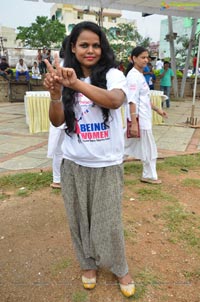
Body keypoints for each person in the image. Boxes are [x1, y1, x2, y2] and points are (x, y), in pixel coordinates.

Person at [43, 21, 135, 298]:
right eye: (84, 45)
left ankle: (120, 267)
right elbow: (57, 121)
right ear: (73, 47)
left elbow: (115, 101)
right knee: (79, 220)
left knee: (109, 222)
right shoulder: (63, 77)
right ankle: (88, 264)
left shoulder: (113, 75)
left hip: (106, 164)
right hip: (73, 164)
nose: (91, 50)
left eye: (96, 45)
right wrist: (56, 94)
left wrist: (77, 83)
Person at [124, 46, 168, 184]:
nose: (146, 60)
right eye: (142, 57)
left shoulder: (140, 75)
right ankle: (149, 175)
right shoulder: (132, 76)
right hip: (139, 119)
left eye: (147, 57)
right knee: (148, 147)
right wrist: (135, 123)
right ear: (133, 59)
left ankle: (108, 165)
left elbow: (144, 99)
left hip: (143, 117)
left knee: (124, 147)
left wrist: (157, 109)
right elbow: (132, 100)